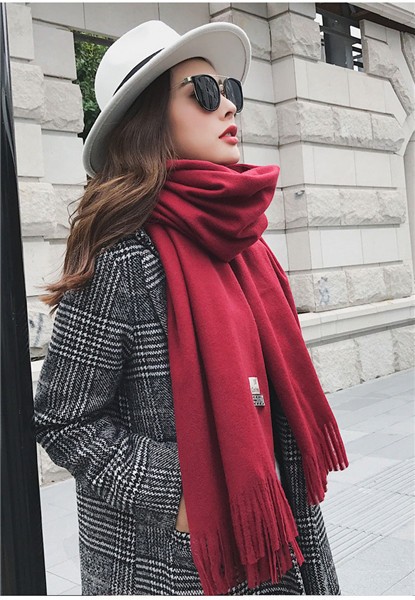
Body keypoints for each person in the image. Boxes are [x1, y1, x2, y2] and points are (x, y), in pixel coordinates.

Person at [34, 20, 349, 596]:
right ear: (150, 121)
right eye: (202, 92)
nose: (227, 105)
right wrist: (186, 492)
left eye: (230, 89)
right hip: (175, 562)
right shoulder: (123, 257)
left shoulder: (246, 243)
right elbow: (64, 418)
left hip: (278, 532)